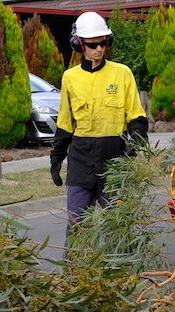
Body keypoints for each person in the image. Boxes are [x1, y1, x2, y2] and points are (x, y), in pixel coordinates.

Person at [49, 11, 148, 228]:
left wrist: (136, 143)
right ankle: (75, 261)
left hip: (114, 157)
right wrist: (56, 158)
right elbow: (65, 123)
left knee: (118, 226)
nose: (99, 49)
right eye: (93, 45)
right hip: (81, 159)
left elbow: (136, 115)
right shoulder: (70, 78)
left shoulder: (122, 74)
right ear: (79, 44)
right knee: (78, 224)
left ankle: (121, 262)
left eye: (103, 43)